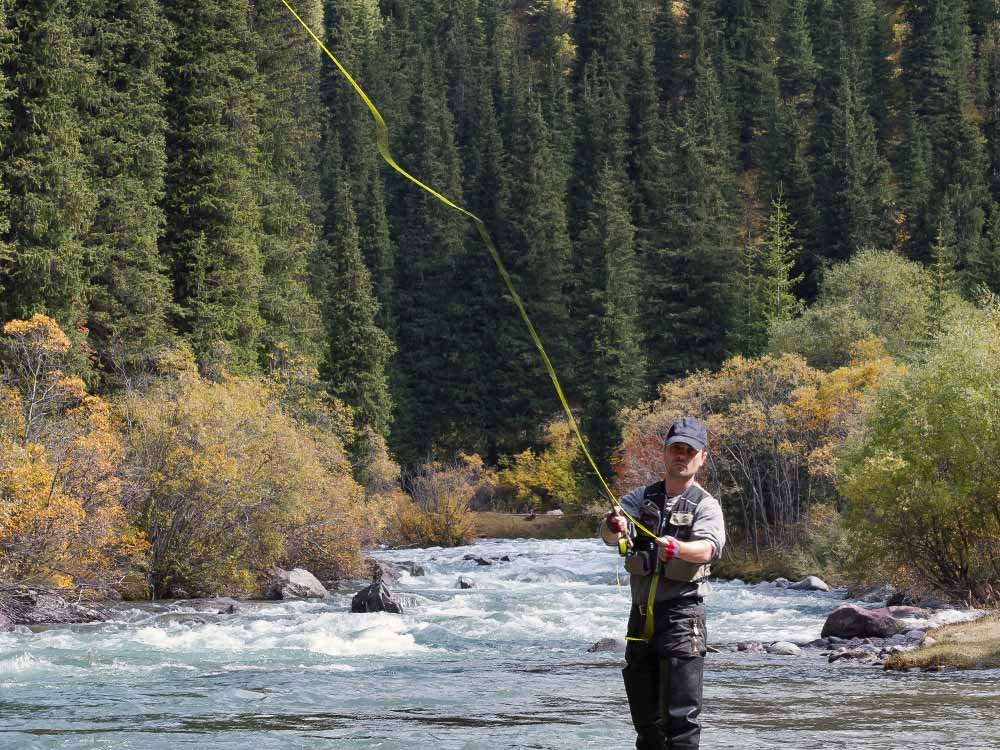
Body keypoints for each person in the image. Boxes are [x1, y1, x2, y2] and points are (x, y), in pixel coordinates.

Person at [600, 417, 726, 750]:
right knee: (647, 726)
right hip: (641, 618)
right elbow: (610, 535)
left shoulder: (706, 505)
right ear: (665, 453)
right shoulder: (640, 499)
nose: (681, 456)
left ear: (701, 458)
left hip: (683, 618)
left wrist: (679, 548)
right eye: (676, 449)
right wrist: (613, 526)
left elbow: (710, 548)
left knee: (681, 723)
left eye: (689, 450)